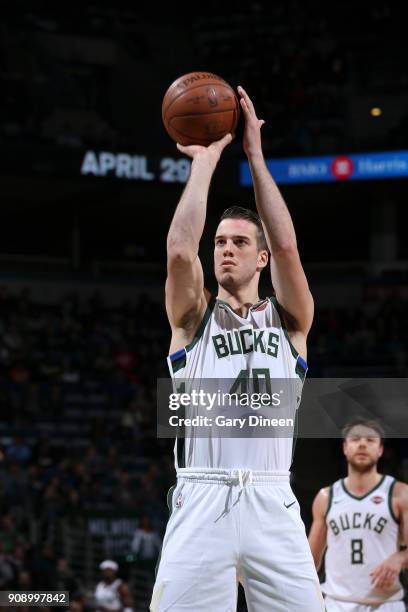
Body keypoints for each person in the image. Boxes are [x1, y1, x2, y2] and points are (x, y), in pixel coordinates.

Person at [150, 85, 324, 611]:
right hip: (203, 497)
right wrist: (204, 161)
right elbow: (181, 251)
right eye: (221, 242)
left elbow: (289, 245)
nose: (226, 249)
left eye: (240, 242)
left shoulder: (290, 320)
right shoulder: (194, 318)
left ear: (261, 259)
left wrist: (255, 156)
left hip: (273, 499)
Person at [308, 417, 408, 611]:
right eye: (355, 439)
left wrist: (399, 558)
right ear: (345, 447)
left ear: (380, 450)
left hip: (386, 604)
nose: (362, 444)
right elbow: (310, 561)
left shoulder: (400, 493)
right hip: (337, 604)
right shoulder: (325, 497)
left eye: (370, 440)